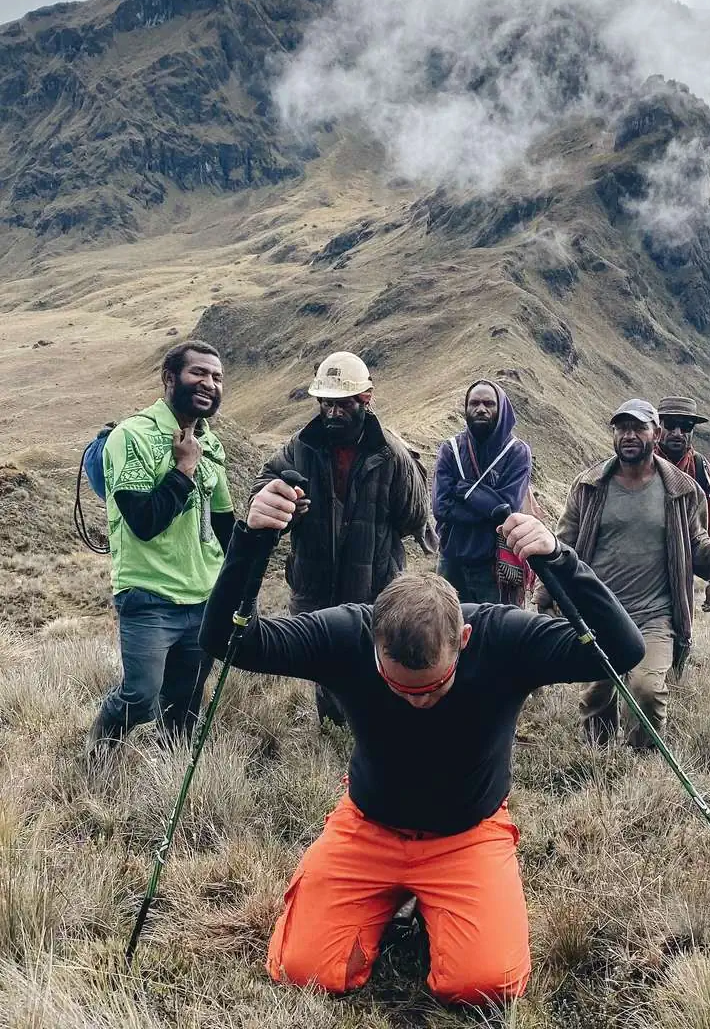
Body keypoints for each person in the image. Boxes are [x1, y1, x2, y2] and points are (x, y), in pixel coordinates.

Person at [200, 478, 644, 1006]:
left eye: (433, 687)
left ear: (464, 640)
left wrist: (557, 559)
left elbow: (622, 648)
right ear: (374, 644)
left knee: (486, 986)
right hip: (368, 827)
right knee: (303, 970)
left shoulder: (504, 638)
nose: (418, 702)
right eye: (399, 687)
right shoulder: (347, 634)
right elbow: (229, 640)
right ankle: (393, 902)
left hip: (467, 834)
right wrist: (252, 539)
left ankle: (427, 907)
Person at [535, 398, 710, 748]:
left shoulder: (682, 490)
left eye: (638, 427)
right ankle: (598, 757)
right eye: (621, 428)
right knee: (596, 695)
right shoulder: (589, 486)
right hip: (599, 611)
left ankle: (642, 758)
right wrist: (544, 599)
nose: (629, 435)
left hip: (655, 615)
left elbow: (696, 548)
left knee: (647, 692)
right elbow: (562, 547)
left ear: (655, 432)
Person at [250, 351, 430, 726]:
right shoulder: (300, 447)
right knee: (322, 664)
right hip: (314, 584)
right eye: (325, 404)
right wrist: (281, 502)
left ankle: (372, 731)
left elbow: (413, 516)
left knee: (376, 661)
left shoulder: (391, 453)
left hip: (376, 585)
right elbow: (262, 488)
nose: (332, 413)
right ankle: (331, 729)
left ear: (365, 399)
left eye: (342, 404)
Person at [86, 340, 233, 756]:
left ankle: (169, 779)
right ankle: (98, 754)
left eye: (217, 377)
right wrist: (184, 468)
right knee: (140, 697)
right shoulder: (132, 437)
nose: (209, 383)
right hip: (149, 596)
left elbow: (223, 523)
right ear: (170, 378)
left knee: (186, 701)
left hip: (202, 596)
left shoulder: (211, 444)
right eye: (199, 373)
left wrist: (246, 569)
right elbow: (144, 522)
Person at [432, 380, 532, 604]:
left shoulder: (516, 453)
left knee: (496, 633)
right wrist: (489, 504)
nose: (481, 409)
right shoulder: (451, 450)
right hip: (452, 563)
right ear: (466, 408)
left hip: (494, 566)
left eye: (489, 403)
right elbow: (441, 507)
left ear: (501, 409)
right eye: (474, 403)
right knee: (448, 631)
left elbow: (508, 508)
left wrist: (465, 490)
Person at [656, 395, 710, 612]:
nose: (678, 433)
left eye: (686, 426)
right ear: (658, 426)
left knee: (678, 631)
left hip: (681, 567)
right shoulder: (638, 461)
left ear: (693, 430)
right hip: (634, 565)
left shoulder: (702, 470)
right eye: (671, 424)